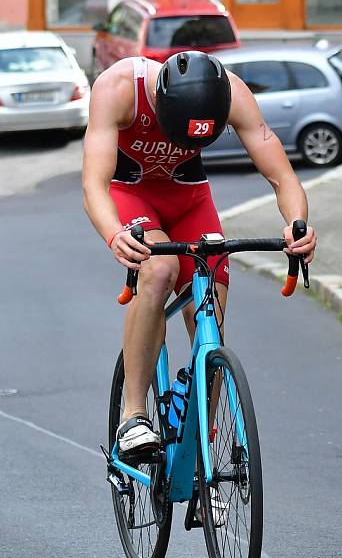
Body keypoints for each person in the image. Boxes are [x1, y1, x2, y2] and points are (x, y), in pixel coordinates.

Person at [83, 51, 316, 456]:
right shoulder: (119, 88)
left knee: (209, 309)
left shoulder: (232, 94)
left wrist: (297, 224)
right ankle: (133, 415)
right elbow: (94, 185)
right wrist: (113, 234)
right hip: (131, 195)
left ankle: (199, 453)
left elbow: (282, 176)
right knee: (159, 271)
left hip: (191, 201)